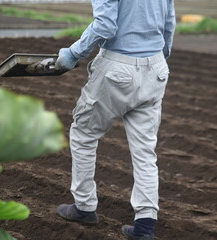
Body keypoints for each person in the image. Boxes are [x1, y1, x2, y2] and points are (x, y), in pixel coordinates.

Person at [55, 0, 176, 239]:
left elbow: (105, 26)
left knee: (84, 134)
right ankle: (145, 226)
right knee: (144, 150)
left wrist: (72, 53)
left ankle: (84, 207)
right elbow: (168, 24)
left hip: (118, 67)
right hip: (156, 68)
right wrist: (155, 62)